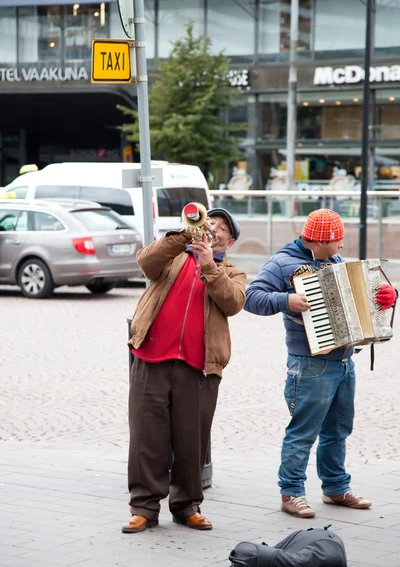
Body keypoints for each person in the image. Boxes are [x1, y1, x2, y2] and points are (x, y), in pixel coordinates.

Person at [244, 208, 397, 518]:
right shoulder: (282, 263)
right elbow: (250, 297)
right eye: (337, 240)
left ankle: (336, 487)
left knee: (338, 430)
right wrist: (287, 300)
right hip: (309, 364)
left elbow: (357, 302)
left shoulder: (334, 262)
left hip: (343, 361)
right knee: (303, 431)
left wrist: (385, 296)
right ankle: (291, 493)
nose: (341, 246)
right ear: (320, 240)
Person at [122, 207, 246, 533]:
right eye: (210, 223)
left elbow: (233, 303)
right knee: (146, 437)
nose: (212, 228)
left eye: (220, 227)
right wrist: (182, 237)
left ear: (229, 242)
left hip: (199, 367)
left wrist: (208, 265)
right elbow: (145, 262)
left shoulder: (233, 272)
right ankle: (144, 508)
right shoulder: (174, 256)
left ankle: (187, 505)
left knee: (193, 441)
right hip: (151, 357)